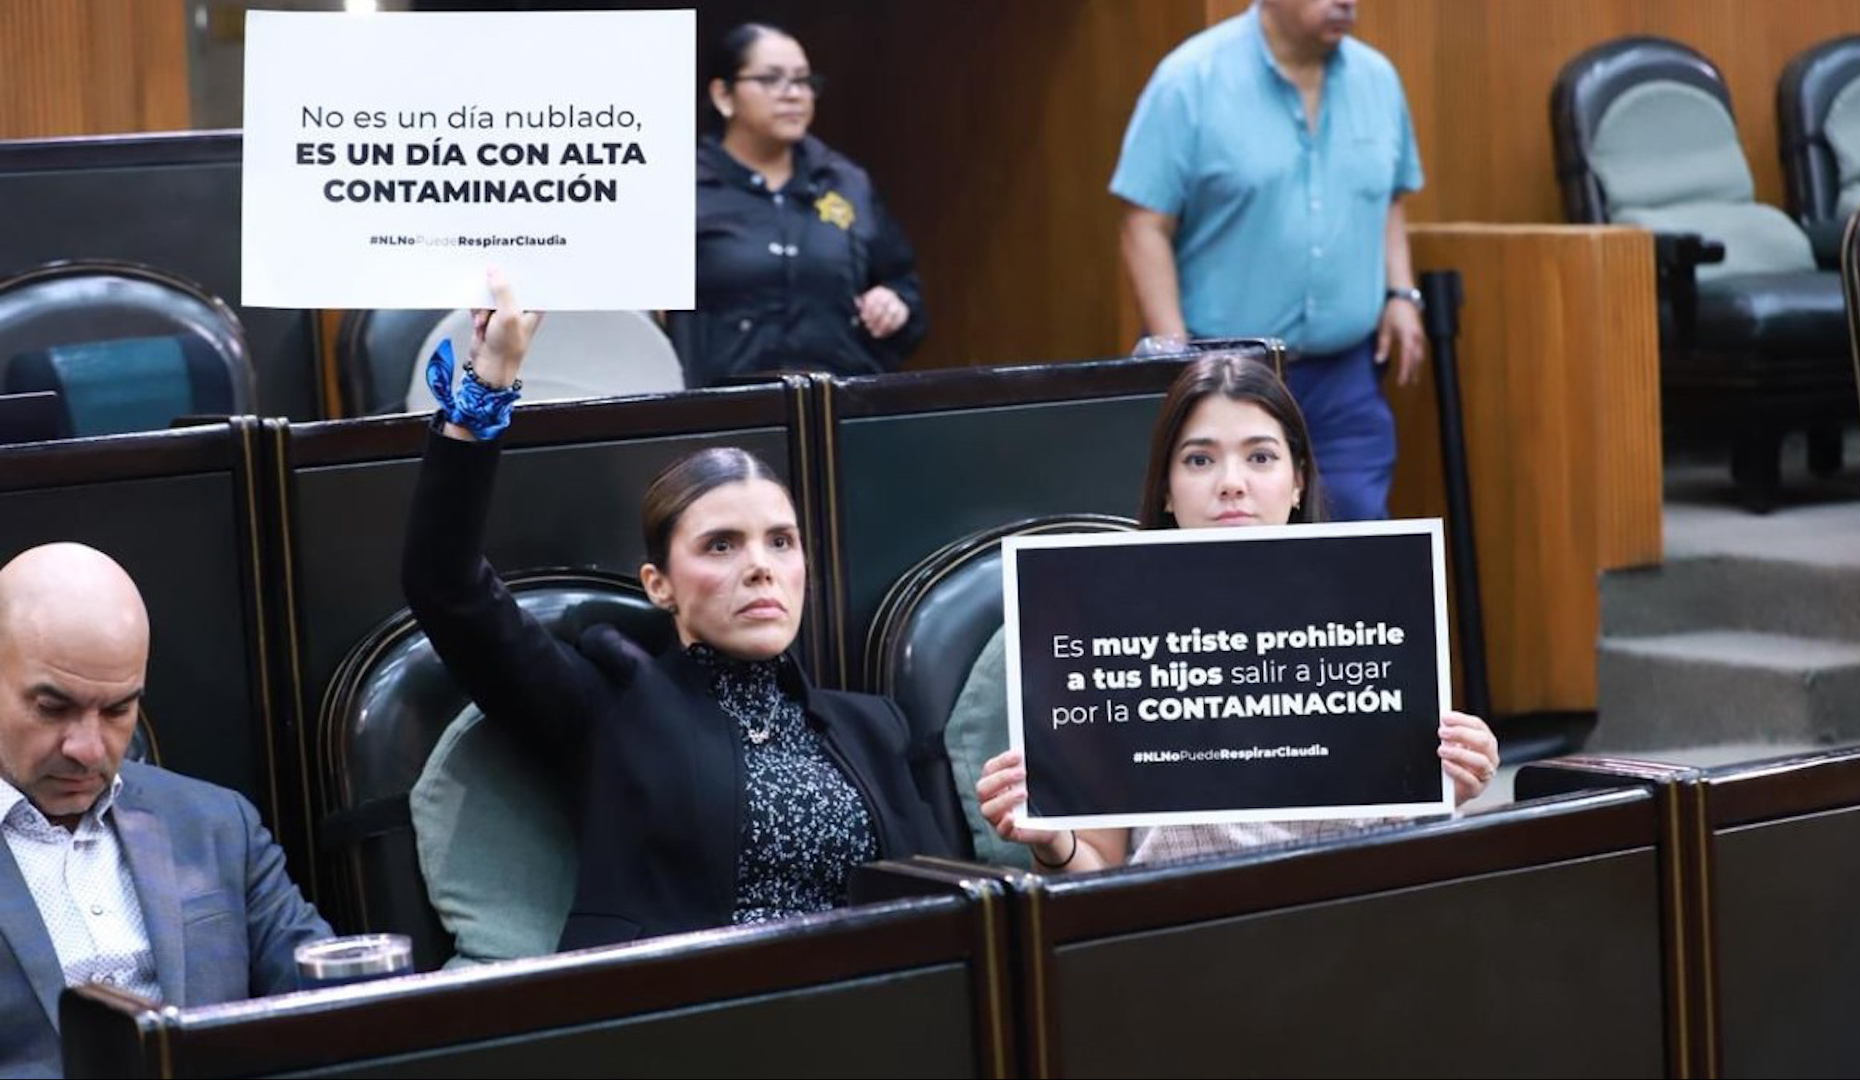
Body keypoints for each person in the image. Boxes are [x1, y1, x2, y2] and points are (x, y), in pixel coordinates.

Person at [403, 274, 955, 950]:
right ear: (658, 585)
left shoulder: (873, 727)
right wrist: (488, 384)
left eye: (780, 541)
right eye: (721, 545)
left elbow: (944, 914)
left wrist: (1050, 851)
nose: (760, 565)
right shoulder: (611, 705)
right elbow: (444, 585)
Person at [966, 355, 1499, 871]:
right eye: (1200, 459)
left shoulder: (1377, 614)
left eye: (1260, 457)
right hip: (1182, 936)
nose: (1231, 483)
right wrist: (1052, 842)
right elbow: (1096, 872)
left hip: (1360, 918)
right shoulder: (1106, 629)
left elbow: (1415, 845)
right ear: (1167, 490)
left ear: (1298, 482)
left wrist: (1454, 779)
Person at [0, 543, 330, 1078]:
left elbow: (338, 1009)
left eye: (117, 710)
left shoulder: (218, 825)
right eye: (52, 708)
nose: (87, 747)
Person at [1112, 0, 1425, 522]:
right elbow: (1144, 223)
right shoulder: (1190, 80)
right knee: (1232, 557)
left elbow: (1389, 196)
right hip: (1223, 377)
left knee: (1356, 548)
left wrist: (1400, 293)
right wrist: (1175, 359)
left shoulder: (1379, 80)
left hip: (1344, 375)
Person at [668, 22, 928, 387]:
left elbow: (903, 284)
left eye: (803, 81)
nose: (794, 94)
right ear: (723, 95)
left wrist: (895, 301)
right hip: (721, 417)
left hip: (837, 410)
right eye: (772, 79)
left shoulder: (845, 182)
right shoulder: (682, 188)